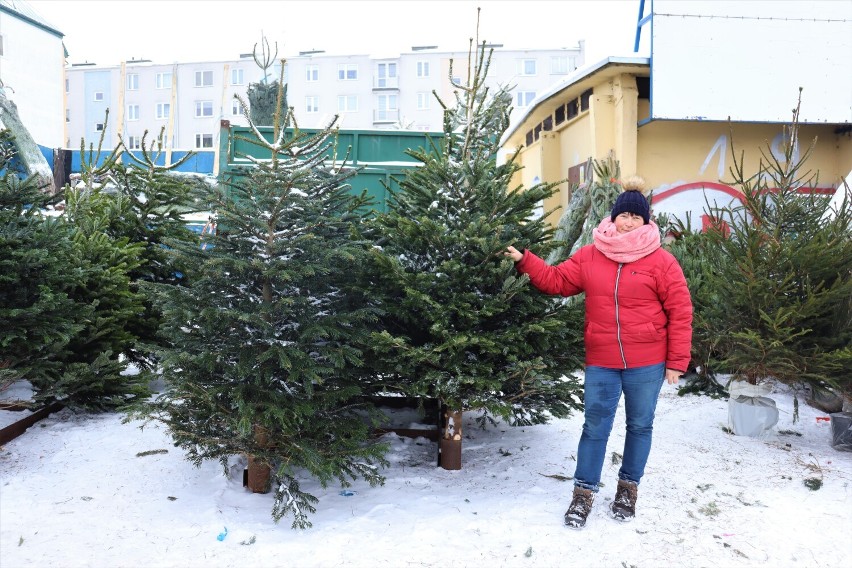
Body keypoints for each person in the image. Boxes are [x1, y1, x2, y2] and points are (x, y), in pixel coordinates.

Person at [505, 185, 692, 529]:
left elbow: (680, 311)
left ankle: (627, 488)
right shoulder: (592, 255)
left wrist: (676, 362)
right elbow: (557, 281)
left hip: (646, 362)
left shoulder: (662, 261)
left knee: (639, 425)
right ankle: (583, 492)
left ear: (646, 221)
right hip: (602, 360)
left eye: (636, 216)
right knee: (595, 426)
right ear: (614, 217)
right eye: (624, 215)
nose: (628, 222)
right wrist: (525, 261)